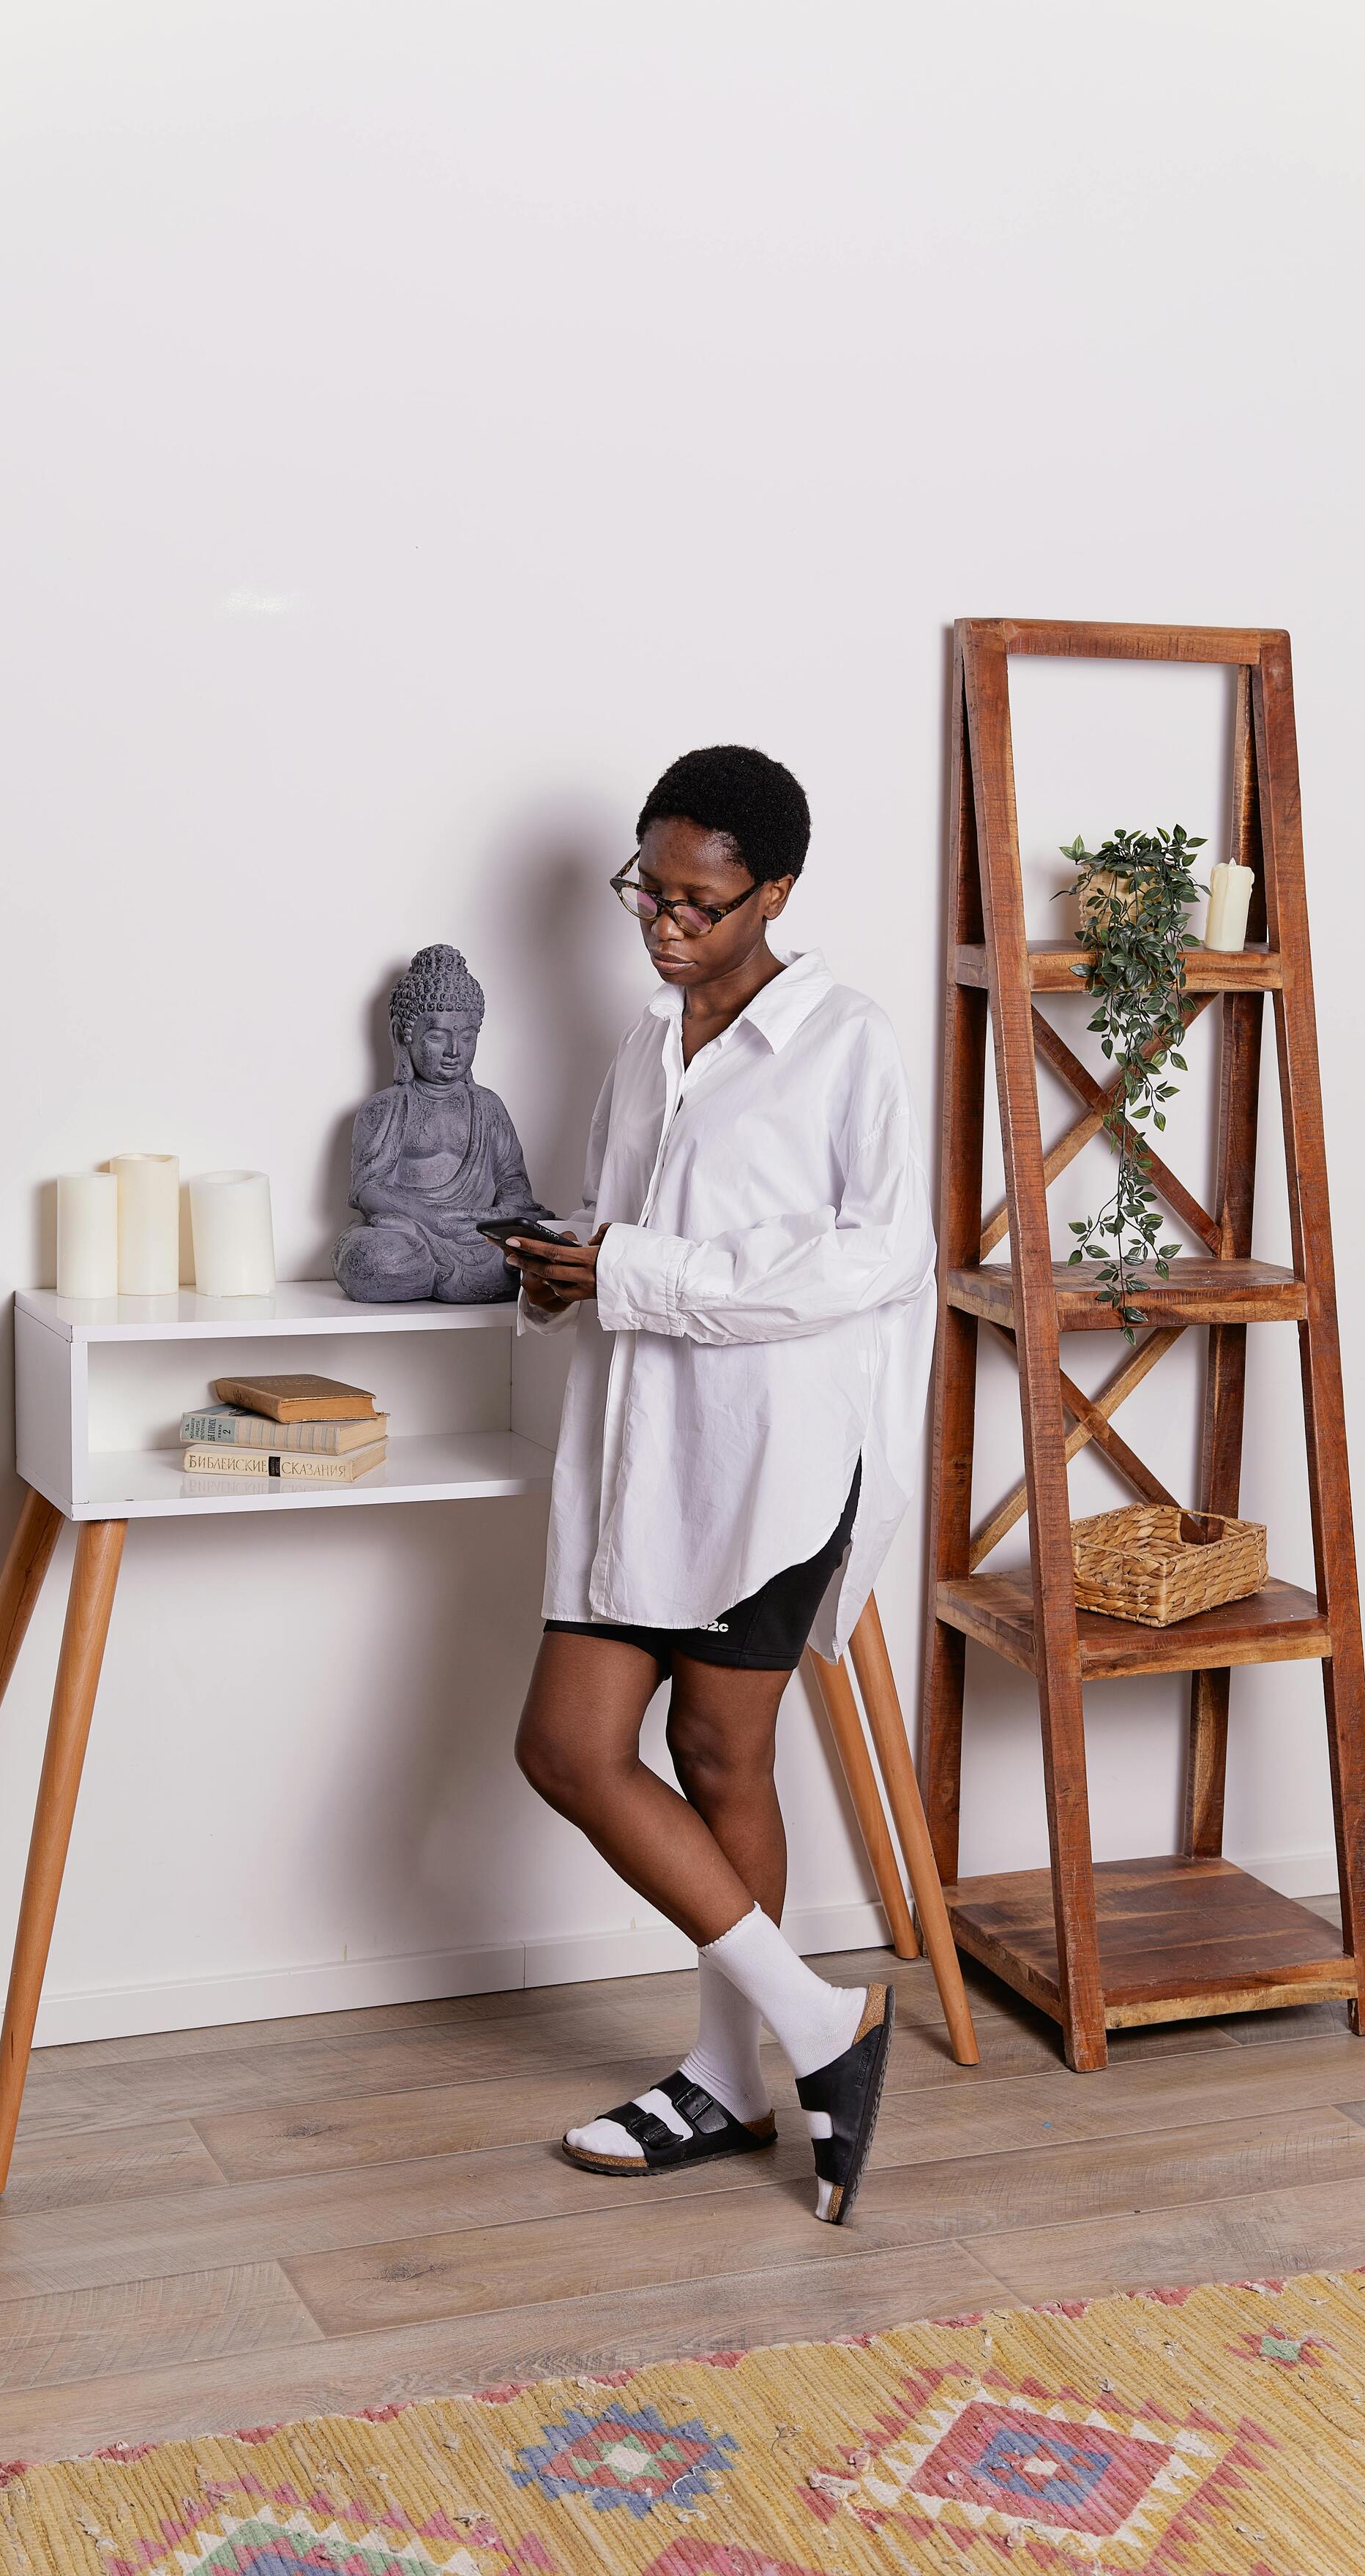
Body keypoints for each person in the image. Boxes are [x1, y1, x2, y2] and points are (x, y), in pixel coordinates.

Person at [508, 745, 936, 2228]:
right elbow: (637, 1231)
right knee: (571, 1746)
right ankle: (811, 2030)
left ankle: (728, 2068)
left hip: (778, 1458)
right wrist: (573, 1271)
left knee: (720, 1753)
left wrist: (642, 1274)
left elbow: (875, 1257)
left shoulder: (848, 1044)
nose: (665, 921)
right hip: (644, 1449)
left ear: (777, 893)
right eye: (649, 889)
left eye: (700, 899)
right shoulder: (646, 1043)